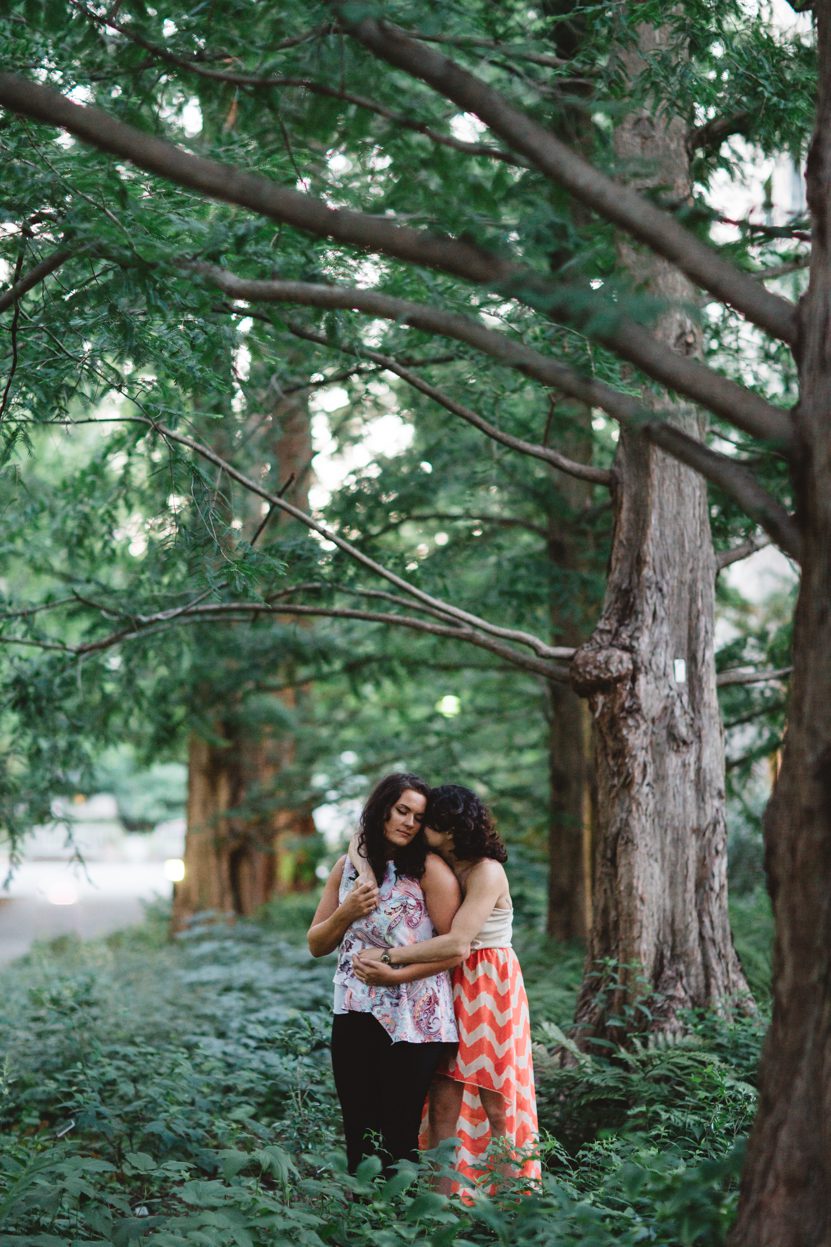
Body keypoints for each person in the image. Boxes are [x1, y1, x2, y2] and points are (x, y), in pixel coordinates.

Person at [352, 784, 540, 1194]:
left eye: (426, 822)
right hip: (444, 982)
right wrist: (365, 871)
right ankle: (441, 1203)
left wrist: (389, 959)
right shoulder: (439, 863)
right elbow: (359, 837)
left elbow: (458, 943)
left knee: (495, 1096)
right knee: (441, 1094)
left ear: (450, 828)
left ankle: (514, 1203)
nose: (416, 827)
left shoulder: (486, 870)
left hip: (489, 984)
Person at [307, 772, 461, 1175]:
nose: (408, 822)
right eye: (401, 810)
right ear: (382, 810)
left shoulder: (430, 870)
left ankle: (400, 1225)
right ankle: (362, 1219)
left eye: (417, 816)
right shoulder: (348, 867)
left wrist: (396, 972)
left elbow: (454, 951)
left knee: (399, 1130)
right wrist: (347, 911)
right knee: (358, 1126)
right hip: (354, 1010)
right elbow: (317, 944)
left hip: (414, 1018)